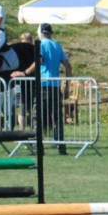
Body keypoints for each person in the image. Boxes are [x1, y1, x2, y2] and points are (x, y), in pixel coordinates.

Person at [35, 23, 72, 155]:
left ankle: (39, 146)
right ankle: (61, 147)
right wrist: (67, 85)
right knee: (57, 117)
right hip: (55, 85)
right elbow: (68, 66)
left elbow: (38, 62)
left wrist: (25, 72)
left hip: (43, 85)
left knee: (38, 117)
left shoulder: (40, 45)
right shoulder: (57, 45)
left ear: (40, 33)